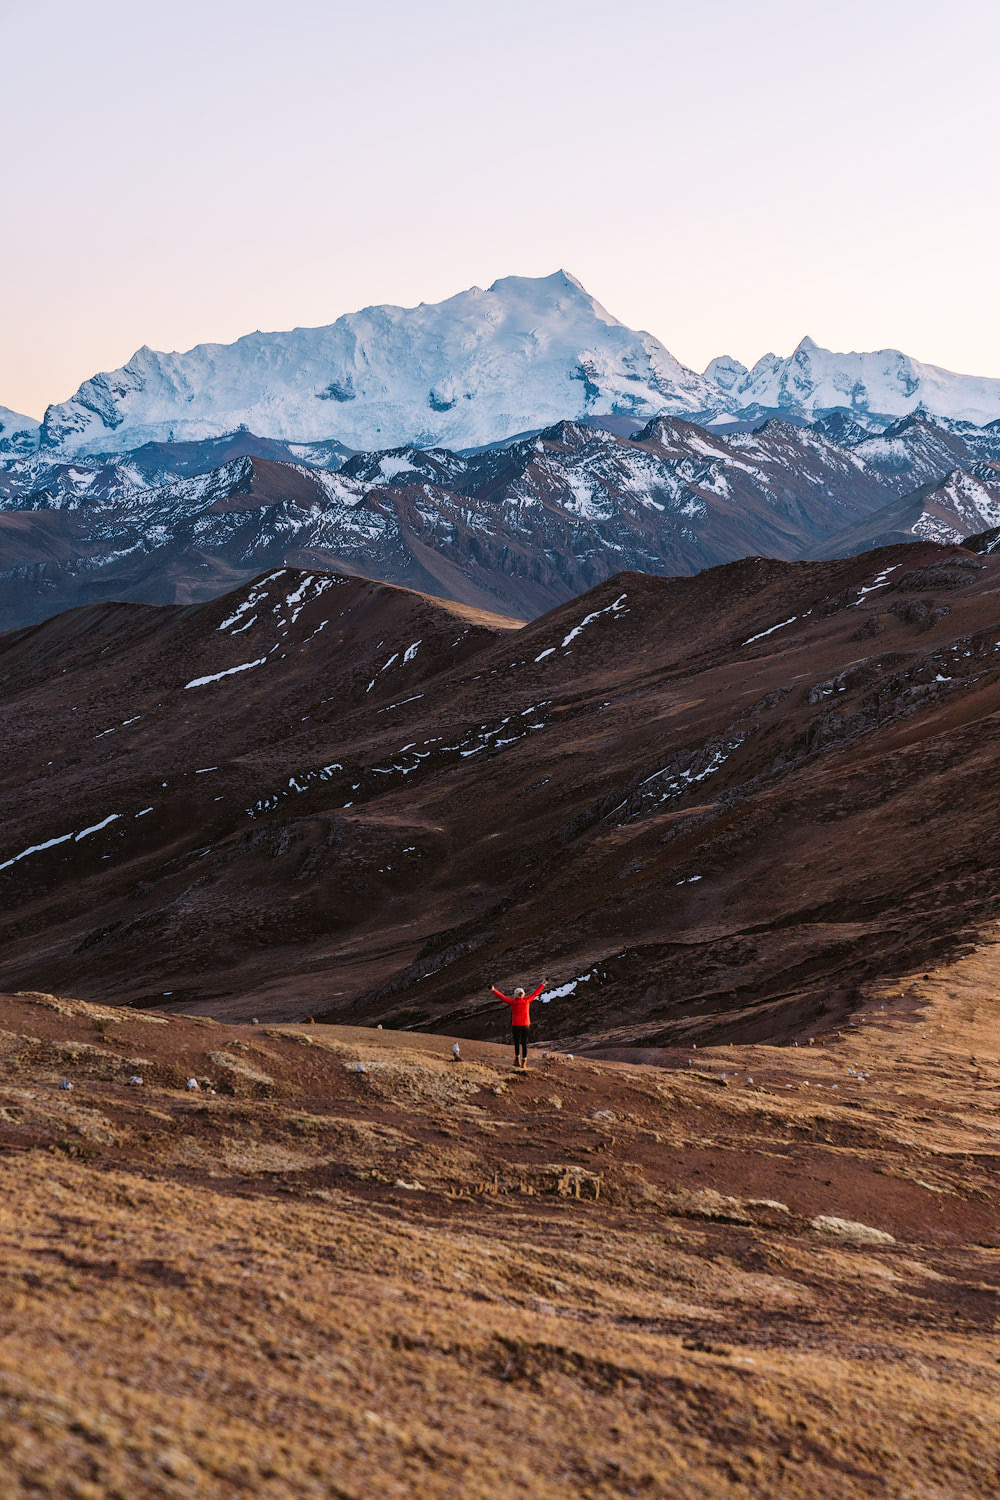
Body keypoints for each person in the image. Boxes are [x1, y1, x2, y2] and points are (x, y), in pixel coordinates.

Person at [491, 978, 549, 1069]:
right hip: (525, 1025)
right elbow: (536, 993)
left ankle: (517, 1060)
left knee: (517, 1043)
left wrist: (493, 990)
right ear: (523, 994)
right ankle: (524, 1062)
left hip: (516, 1025)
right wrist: (543, 984)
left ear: (515, 995)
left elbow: (502, 997)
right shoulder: (527, 1001)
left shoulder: (513, 1002)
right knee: (524, 1044)